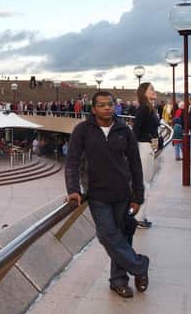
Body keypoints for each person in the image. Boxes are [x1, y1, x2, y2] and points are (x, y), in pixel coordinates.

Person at [65, 91, 150, 299]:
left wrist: (138, 196)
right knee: (107, 235)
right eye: (102, 105)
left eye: (110, 104)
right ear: (93, 109)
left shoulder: (124, 130)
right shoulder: (82, 130)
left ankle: (119, 281)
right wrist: (73, 190)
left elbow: (135, 164)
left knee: (121, 236)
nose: (107, 108)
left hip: (122, 193)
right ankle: (140, 266)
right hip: (97, 194)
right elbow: (72, 161)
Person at [133, 82, 160, 229]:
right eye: (151, 89)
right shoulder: (144, 109)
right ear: (144, 92)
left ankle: (140, 215)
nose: (154, 90)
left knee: (145, 182)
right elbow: (136, 129)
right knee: (145, 183)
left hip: (147, 147)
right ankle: (139, 216)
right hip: (144, 148)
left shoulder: (149, 108)